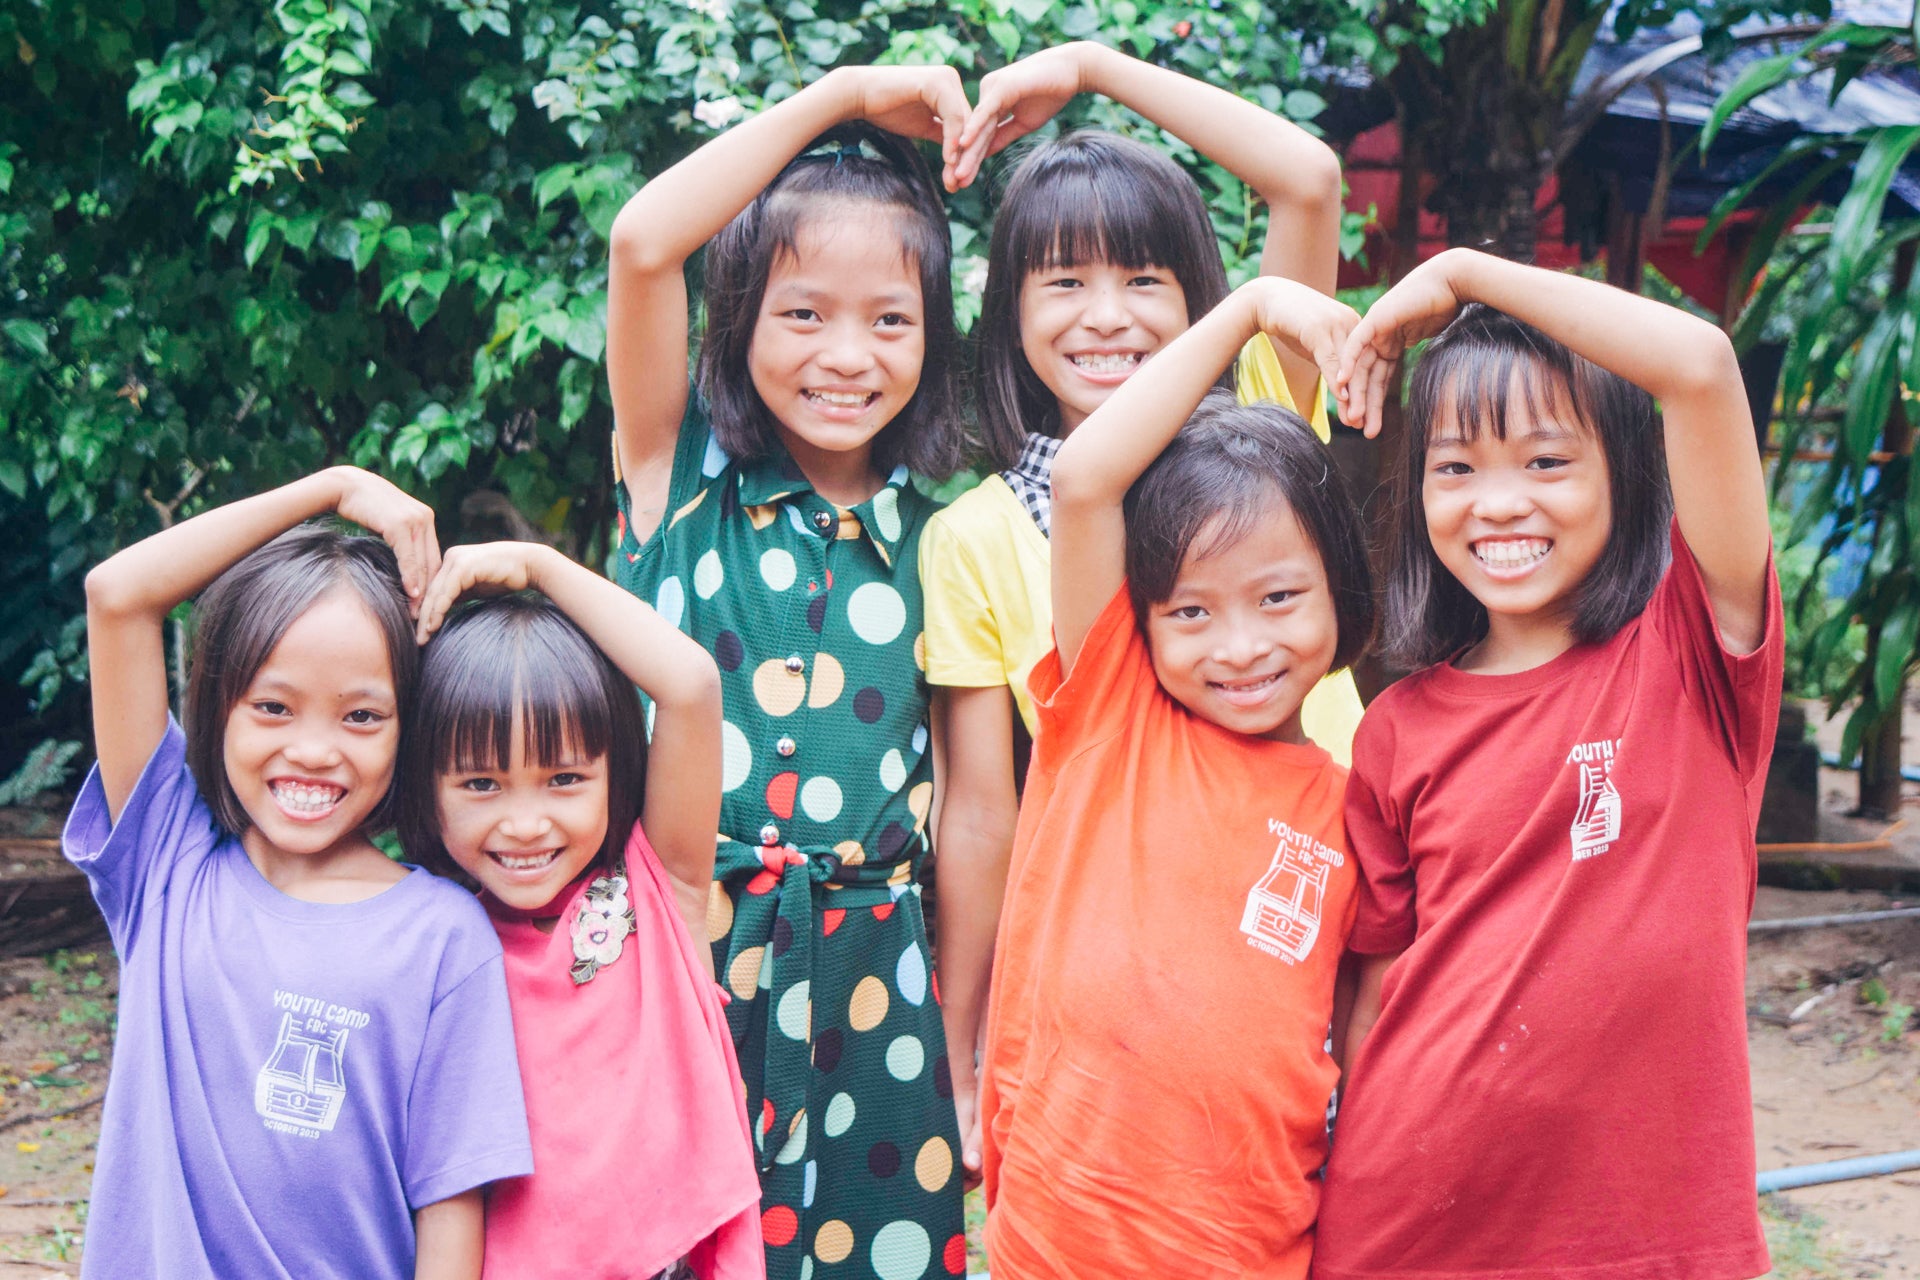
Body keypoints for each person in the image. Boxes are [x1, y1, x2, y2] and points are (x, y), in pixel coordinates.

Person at [918, 41, 1362, 1181]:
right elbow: (980, 816)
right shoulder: (977, 534)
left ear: (1199, 295)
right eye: (1063, 283)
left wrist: (1096, 68)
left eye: (1144, 279)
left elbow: (1307, 178)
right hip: (1162, 967)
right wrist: (962, 1051)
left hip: (1345, 896)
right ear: (1009, 309)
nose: (1105, 318)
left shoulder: (1259, 408)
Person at [1313, 248, 1781, 1279]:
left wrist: (1463, 272)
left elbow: (1700, 365)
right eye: (1456, 466)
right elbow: (1379, 988)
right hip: (1411, 1217)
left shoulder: (1694, 651)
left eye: (1545, 460)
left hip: (1650, 1231)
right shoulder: (1397, 726)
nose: (1497, 504)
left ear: (1625, 467)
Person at [604, 65, 974, 1280]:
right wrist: (848, 97)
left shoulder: (949, 537)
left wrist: (965, 1037)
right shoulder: (681, 479)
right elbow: (644, 242)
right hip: (685, 960)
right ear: (740, 323)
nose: (846, 355)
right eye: (803, 313)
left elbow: (975, 808)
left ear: (934, 334)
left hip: (881, 987)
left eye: (890, 319)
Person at [977, 274, 1374, 1278]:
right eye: (1191, 611)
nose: (1239, 645)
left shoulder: (1355, 806)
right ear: (1142, 622)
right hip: (1058, 1236)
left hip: (1252, 1246)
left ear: (1342, 592)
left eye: (1279, 596)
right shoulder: (1112, 713)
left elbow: (1362, 1045)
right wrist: (1246, 309)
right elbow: (1084, 480)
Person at [66, 467, 532, 1280]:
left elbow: (452, 1198)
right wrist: (337, 488)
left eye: (361, 716)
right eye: (273, 707)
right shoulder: (166, 858)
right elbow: (118, 596)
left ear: (407, 729)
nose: (314, 750)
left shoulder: (444, 934)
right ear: (219, 705)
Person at [397, 541, 762, 1279]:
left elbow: (690, 683)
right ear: (425, 789)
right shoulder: (426, 931)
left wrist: (541, 566)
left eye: (564, 778)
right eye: (481, 785)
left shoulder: (658, 884)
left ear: (613, 771)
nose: (526, 823)